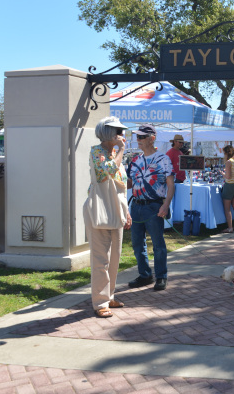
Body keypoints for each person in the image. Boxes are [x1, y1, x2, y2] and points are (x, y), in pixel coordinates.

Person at [85, 117, 132, 318]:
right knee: (100, 258)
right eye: (118, 131)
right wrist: (121, 150)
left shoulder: (114, 153)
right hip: (100, 208)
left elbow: (121, 184)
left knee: (115, 258)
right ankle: (100, 302)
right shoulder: (97, 152)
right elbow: (109, 171)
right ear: (108, 133)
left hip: (117, 208)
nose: (122, 135)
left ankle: (109, 295)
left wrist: (126, 211)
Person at [127, 124, 174, 292]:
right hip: (136, 206)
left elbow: (170, 184)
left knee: (158, 244)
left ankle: (161, 276)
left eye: (141, 137)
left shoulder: (163, 159)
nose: (137, 140)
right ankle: (145, 274)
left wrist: (166, 204)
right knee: (137, 244)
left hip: (154, 206)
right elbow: (129, 183)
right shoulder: (135, 160)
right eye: (137, 137)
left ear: (152, 138)